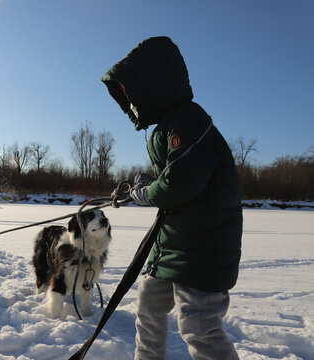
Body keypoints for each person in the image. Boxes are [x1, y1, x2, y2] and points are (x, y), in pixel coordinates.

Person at [102, 36, 242, 360]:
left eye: (131, 95)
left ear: (152, 86)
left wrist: (144, 194)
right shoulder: (167, 127)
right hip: (174, 245)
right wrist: (145, 184)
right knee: (148, 306)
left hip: (203, 248)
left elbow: (180, 185)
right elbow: (172, 179)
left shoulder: (188, 120)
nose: (131, 106)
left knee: (199, 328)